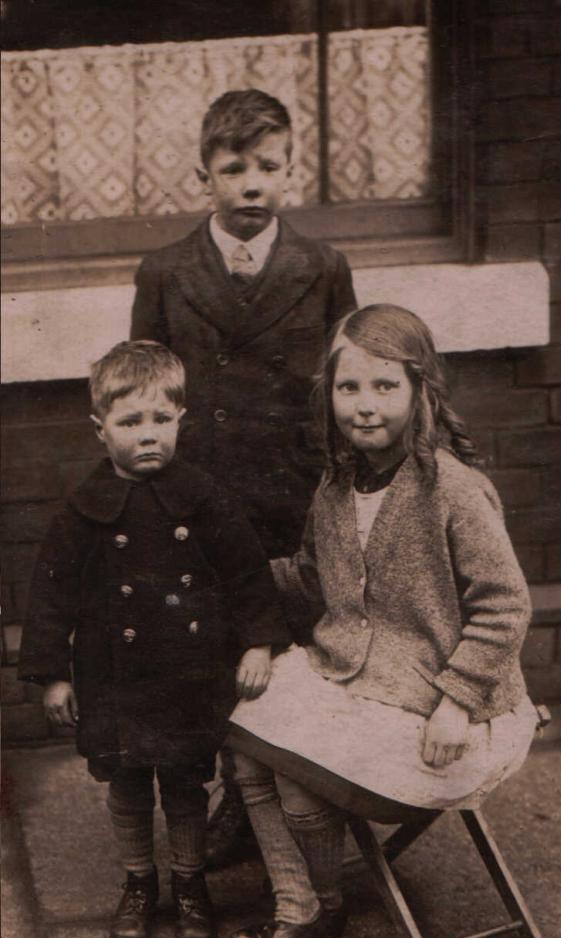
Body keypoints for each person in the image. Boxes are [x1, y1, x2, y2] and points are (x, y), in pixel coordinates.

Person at [224, 304, 540, 938]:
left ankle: (315, 908)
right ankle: (301, 903)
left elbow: (505, 605)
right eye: (349, 388)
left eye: (385, 387)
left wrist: (456, 702)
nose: (364, 406)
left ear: (421, 391)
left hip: (447, 707)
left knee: (293, 768)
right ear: (328, 395)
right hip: (351, 676)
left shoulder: (453, 490)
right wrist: (228, 584)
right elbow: (312, 579)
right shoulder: (337, 485)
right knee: (247, 735)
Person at [130, 88, 357, 867]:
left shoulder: (323, 269)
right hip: (201, 495)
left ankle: (302, 802)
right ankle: (235, 804)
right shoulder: (164, 272)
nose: (252, 183)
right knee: (216, 647)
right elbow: (145, 391)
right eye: (235, 168)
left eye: (269, 166)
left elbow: (343, 388)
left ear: (291, 170)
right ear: (205, 176)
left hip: (291, 498)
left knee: (292, 645)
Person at [18, 341, 292, 938]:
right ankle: (139, 882)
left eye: (161, 420)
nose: (148, 436)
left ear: (181, 421)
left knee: (186, 783)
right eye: (130, 422)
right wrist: (53, 676)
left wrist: (258, 646)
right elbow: (51, 594)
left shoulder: (203, 497)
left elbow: (248, 573)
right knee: (128, 783)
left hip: (189, 672)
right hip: (113, 676)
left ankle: (191, 884)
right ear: (99, 429)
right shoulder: (82, 512)